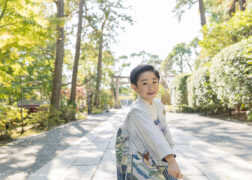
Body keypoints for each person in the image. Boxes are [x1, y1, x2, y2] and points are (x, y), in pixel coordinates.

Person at [115, 64, 182, 180]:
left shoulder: (158, 105)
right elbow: (152, 134)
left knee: (168, 174)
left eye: (154, 82)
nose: (151, 87)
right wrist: (170, 159)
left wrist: (170, 152)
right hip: (138, 152)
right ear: (135, 87)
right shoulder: (137, 110)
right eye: (145, 83)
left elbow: (164, 131)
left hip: (156, 149)